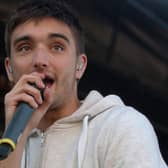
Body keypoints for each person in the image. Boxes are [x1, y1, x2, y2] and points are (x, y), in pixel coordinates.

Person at [0, 0, 167, 167]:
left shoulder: (122, 127)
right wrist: (18, 137)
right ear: (9, 69)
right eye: (25, 48)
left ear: (79, 66)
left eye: (57, 47)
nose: (39, 60)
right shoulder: (6, 148)